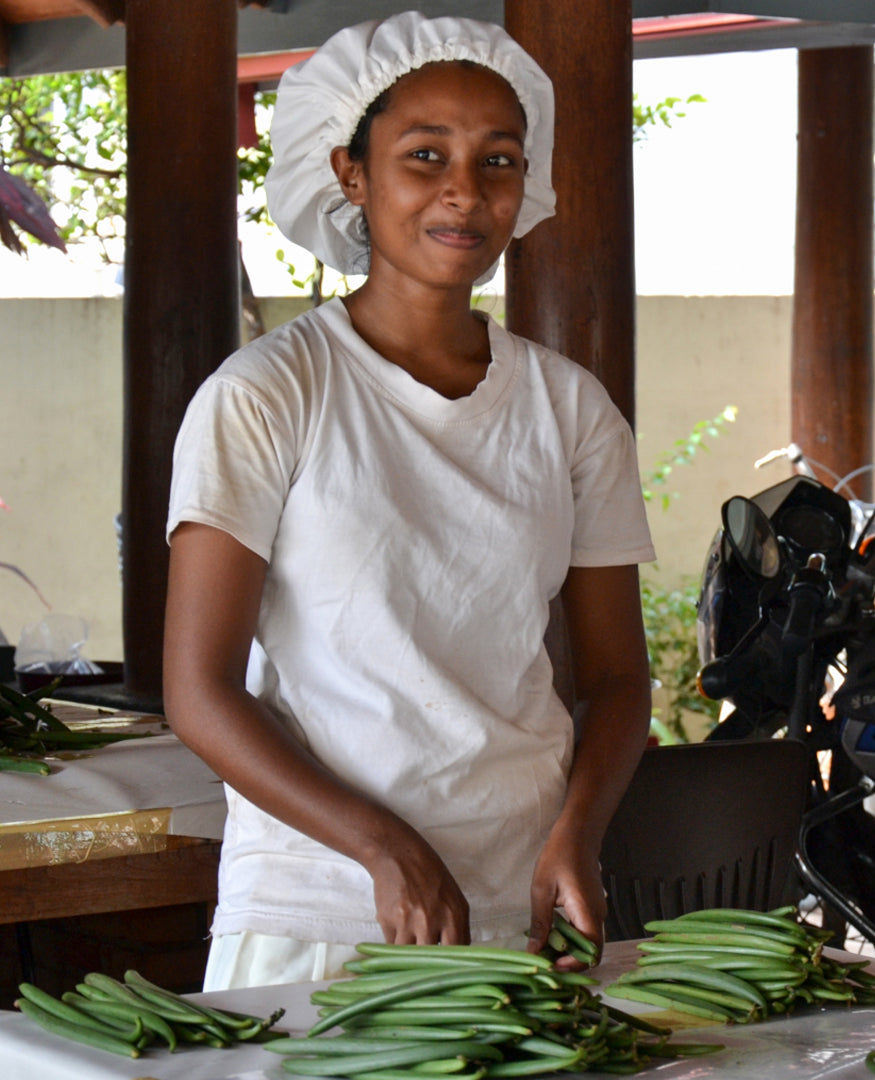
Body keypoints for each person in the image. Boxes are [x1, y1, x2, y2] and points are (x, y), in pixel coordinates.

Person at [163, 10, 655, 992]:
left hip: (516, 908)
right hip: (321, 907)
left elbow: (617, 681)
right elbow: (199, 692)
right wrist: (383, 847)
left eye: (499, 160)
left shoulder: (568, 411)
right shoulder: (270, 394)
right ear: (352, 174)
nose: (465, 193)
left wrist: (576, 837)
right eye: (424, 155)